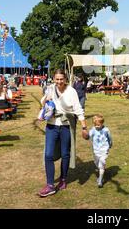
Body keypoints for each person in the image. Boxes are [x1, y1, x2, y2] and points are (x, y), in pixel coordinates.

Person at [38, 70, 88, 198]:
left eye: (61, 79)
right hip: (51, 125)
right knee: (48, 154)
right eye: (57, 79)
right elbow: (42, 103)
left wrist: (84, 127)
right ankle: (50, 185)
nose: (59, 82)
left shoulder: (71, 91)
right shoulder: (50, 88)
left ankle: (63, 180)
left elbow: (78, 109)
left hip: (66, 126)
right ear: (54, 79)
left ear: (65, 79)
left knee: (65, 154)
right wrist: (46, 99)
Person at [82, 114, 112, 188]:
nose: (97, 127)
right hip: (96, 150)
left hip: (104, 149)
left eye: (99, 125)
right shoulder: (93, 130)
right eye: (96, 125)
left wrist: (110, 145)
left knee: (102, 163)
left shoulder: (106, 130)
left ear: (102, 123)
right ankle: (101, 170)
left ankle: (100, 180)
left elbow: (110, 138)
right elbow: (88, 137)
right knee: (96, 163)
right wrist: (85, 134)